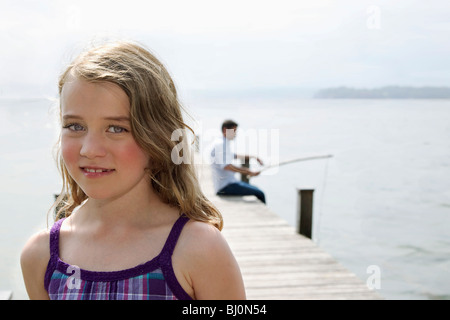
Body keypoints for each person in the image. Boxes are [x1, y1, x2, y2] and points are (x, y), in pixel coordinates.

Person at [20, 40, 245, 300]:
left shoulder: (198, 249)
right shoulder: (42, 256)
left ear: (158, 138)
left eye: (116, 128)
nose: (90, 149)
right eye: (75, 126)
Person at [210, 120, 266, 204]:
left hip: (230, 183)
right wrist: (248, 171)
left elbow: (233, 155)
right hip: (225, 187)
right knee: (260, 193)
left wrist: (253, 157)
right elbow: (226, 166)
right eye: (234, 131)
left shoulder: (223, 142)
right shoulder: (220, 144)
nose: (235, 134)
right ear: (225, 130)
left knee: (257, 190)